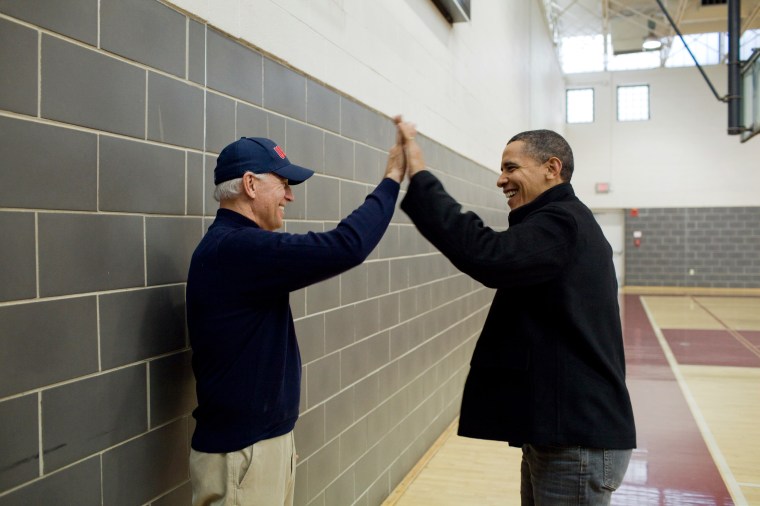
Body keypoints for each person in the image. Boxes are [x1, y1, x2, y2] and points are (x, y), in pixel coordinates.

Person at [395, 120, 636, 505]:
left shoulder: (563, 223)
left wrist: (422, 178)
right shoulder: (559, 223)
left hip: (576, 440)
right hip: (559, 433)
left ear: (551, 168)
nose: (501, 180)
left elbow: (487, 255)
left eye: (511, 168)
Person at [186, 130, 405, 506]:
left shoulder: (236, 247)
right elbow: (347, 246)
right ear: (251, 185)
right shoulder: (238, 248)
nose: (290, 195)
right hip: (244, 454)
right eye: (284, 184)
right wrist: (391, 179)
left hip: (259, 447)